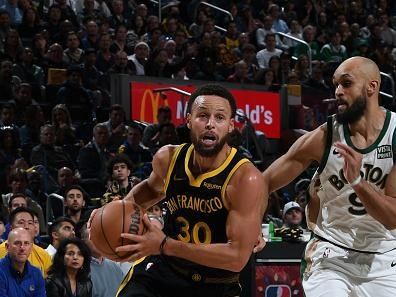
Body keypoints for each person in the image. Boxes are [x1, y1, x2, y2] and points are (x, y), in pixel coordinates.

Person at [90, 84, 266, 297]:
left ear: (230, 126)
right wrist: (111, 214)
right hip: (165, 271)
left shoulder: (244, 178)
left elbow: (236, 258)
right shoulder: (169, 158)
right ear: (188, 120)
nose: (210, 124)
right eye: (202, 115)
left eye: (219, 118)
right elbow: (149, 191)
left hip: (215, 283)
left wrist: (165, 244)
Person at [262, 56, 396, 297]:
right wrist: (250, 226)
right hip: (330, 254)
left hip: (385, 259)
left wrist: (357, 182)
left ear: (372, 87)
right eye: (335, 84)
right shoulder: (324, 136)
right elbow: (263, 182)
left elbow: (393, 217)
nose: (337, 91)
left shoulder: (394, 136)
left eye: (346, 83)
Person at [0, 207, 52, 277]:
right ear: (11, 228)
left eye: (30, 223)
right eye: (21, 222)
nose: (26, 226)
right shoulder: (1, 250)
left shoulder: (43, 255)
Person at [80, 223, 125, 297]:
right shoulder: (77, 269)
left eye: (101, 236)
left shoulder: (115, 267)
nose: (99, 241)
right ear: (83, 242)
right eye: (93, 236)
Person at [0, 228, 46, 297]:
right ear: (7, 247)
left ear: (31, 248)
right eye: (17, 243)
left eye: (26, 243)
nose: (22, 248)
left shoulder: (37, 273)